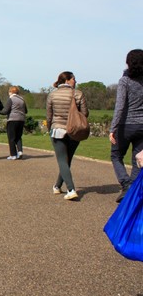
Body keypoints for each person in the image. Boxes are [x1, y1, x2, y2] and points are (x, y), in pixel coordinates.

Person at [46, 71, 88, 201]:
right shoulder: (78, 94)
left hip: (57, 129)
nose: (75, 81)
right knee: (67, 160)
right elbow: (85, 113)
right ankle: (57, 186)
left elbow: (49, 116)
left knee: (62, 160)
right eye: (74, 79)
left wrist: (49, 128)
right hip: (74, 130)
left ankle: (71, 189)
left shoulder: (52, 95)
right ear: (67, 80)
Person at [110, 49, 143, 203]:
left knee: (116, 155)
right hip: (142, 126)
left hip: (125, 125)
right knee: (137, 159)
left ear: (128, 62)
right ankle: (133, 190)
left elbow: (120, 106)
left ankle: (126, 184)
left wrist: (113, 128)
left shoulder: (125, 81)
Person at [0, 86, 28, 160]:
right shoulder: (22, 99)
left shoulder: (11, 99)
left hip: (12, 119)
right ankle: (20, 151)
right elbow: (26, 111)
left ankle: (13, 155)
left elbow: (5, 111)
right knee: (18, 137)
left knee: (11, 137)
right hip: (21, 120)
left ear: (11, 92)